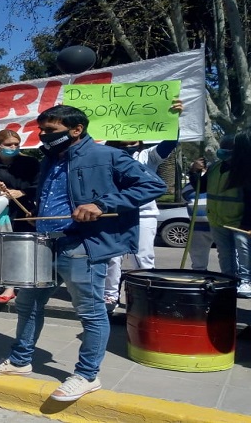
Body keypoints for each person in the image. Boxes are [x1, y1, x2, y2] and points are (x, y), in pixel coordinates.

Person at [0, 105, 166, 402]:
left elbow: (153, 184)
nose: (43, 136)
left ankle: (87, 375)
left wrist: (103, 205)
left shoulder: (107, 156)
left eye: (51, 130)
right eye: (42, 130)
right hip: (45, 242)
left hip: (82, 245)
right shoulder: (50, 159)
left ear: (76, 129)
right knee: (28, 304)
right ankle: (20, 360)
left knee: (90, 312)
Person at [103, 128, 179, 312]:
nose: (128, 147)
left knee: (142, 257)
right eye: (123, 144)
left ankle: (145, 294)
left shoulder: (148, 156)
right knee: (112, 258)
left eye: (132, 143)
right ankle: (110, 295)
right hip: (114, 214)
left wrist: (175, 122)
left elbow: (169, 142)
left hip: (143, 214)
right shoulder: (107, 157)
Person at [0, 129, 40, 302]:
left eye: (16, 144)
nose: (13, 147)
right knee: (5, 249)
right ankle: (8, 286)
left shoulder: (30, 162)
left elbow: (39, 185)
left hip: (24, 211)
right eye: (9, 144)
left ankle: (24, 284)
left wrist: (22, 192)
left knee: (24, 249)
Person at [190, 131, 251, 297]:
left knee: (245, 254)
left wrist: (247, 223)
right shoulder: (216, 167)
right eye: (222, 147)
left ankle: (246, 281)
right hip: (217, 219)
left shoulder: (245, 168)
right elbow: (200, 188)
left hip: (239, 220)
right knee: (225, 253)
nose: (222, 150)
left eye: (227, 148)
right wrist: (194, 172)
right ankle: (229, 279)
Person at [182, 183, 212, 271]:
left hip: (220, 226)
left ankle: (232, 278)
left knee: (227, 256)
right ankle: (199, 275)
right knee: (197, 256)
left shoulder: (219, 182)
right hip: (197, 227)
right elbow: (186, 203)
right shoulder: (188, 188)